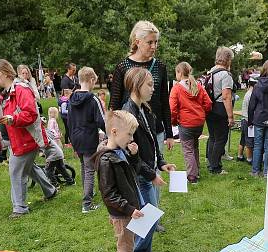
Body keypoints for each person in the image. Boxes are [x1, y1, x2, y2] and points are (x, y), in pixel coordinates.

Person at [122, 67, 176, 252]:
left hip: (150, 170)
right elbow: (131, 154)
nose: (153, 89)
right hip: (139, 175)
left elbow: (153, 142)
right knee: (148, 215)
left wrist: (161, 162)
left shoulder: (146, 110)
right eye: (149, 85)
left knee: (150, 215)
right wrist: (151, 174)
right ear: (137, 86)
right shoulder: (128, 113)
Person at [0, 59, 58, 218]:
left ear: (6, 73)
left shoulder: (21, 89)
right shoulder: (7, 93)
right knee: (29, 168)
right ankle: (50, 191)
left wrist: (12, 119)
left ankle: (20, 208)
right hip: (17, 139)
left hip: (27, 139)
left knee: (16, 171)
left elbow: (31, 114)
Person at [96, 110, 146, 252]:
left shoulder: (120, 152)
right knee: (124, 249)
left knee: (130, 245)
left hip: (129, 210)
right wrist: (128, 209)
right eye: (129, 134)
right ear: (115, 132)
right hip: (122, 213)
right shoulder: (106, 160)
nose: (132, 138)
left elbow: (131, 174)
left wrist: (133, 156)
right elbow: (108, 194)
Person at [109, 20, 174, 155]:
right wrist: (112, 133)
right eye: (150, 42)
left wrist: (169, 133)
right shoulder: (122, 67)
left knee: (155, 168)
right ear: (138, 42)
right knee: (132, 171)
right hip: (130, 131)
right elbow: (115, 103)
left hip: (155, 129)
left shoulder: (160, 67)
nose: (154, 46)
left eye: (156, 42)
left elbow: (164, 102)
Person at [68, 66, 105, 213]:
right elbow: (101, 120)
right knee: (90, 170)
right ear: (91, 80)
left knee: (84, 166)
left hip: (76, 137)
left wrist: (71, 138)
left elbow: (69, 121)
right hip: (89, 137)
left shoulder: (72, 99)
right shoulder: (93, 99)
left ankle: (87, 193)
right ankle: (87, 204)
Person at [169, 61, 211, 184]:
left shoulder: (176, 88)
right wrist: (202, 113)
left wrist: (173, 121)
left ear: (179, 73)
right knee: (194, 146)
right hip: (198, 122)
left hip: (186, 123)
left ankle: (192, 176)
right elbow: (208, 103)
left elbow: (172, 108)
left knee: (188, 149)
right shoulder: (198, 85)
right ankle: (196, 170)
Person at [204, 46, 236, 175]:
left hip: (209, 108)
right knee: (221, 138)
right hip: (220, 108)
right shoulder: (225, 75)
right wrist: (230, 116)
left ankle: (210, 161)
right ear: (227, 59)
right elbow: (226, 96)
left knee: (212, 137)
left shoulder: (209, 73)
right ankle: (215, 167)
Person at [237, 74, 258, 163]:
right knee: (249, 141)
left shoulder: (247, 93)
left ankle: (240, 155)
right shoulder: (251, 95)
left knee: (243, 140)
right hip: (248, 120)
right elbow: (252, 110)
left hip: (244, 119)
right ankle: (250, 159)